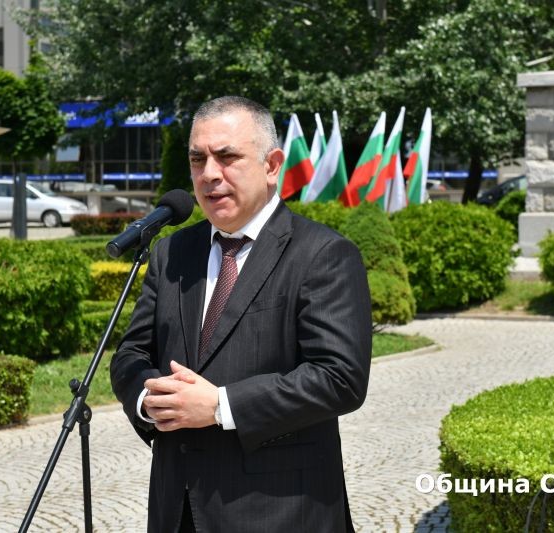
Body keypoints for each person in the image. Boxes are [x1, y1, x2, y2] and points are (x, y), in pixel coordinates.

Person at [110, 96, 372, 533]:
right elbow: (131, 354)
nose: (209, 174)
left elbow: (339, 378)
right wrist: (149, 402)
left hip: (280, 512)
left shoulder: (323, 254)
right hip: (177, 509)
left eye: (227, 157)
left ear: (272, 166)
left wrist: (219, 406)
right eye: (198, 159)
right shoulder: (171, 251)